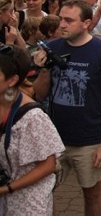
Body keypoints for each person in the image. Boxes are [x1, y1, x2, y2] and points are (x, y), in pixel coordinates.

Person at [32, 0, 101, 215]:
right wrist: (44, 70)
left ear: (86, 23)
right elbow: (40, 93)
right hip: (53, 138)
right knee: (43, 192)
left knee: (92, 192)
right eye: (61, 19)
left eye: (69, 20)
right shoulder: (52, 48)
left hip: (89, 139)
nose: (62, 24)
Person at [0, 44, 65, 215]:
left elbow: (48, 165)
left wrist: (7, 188)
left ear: (12, 80)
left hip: (27, 204)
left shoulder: (33, 118)